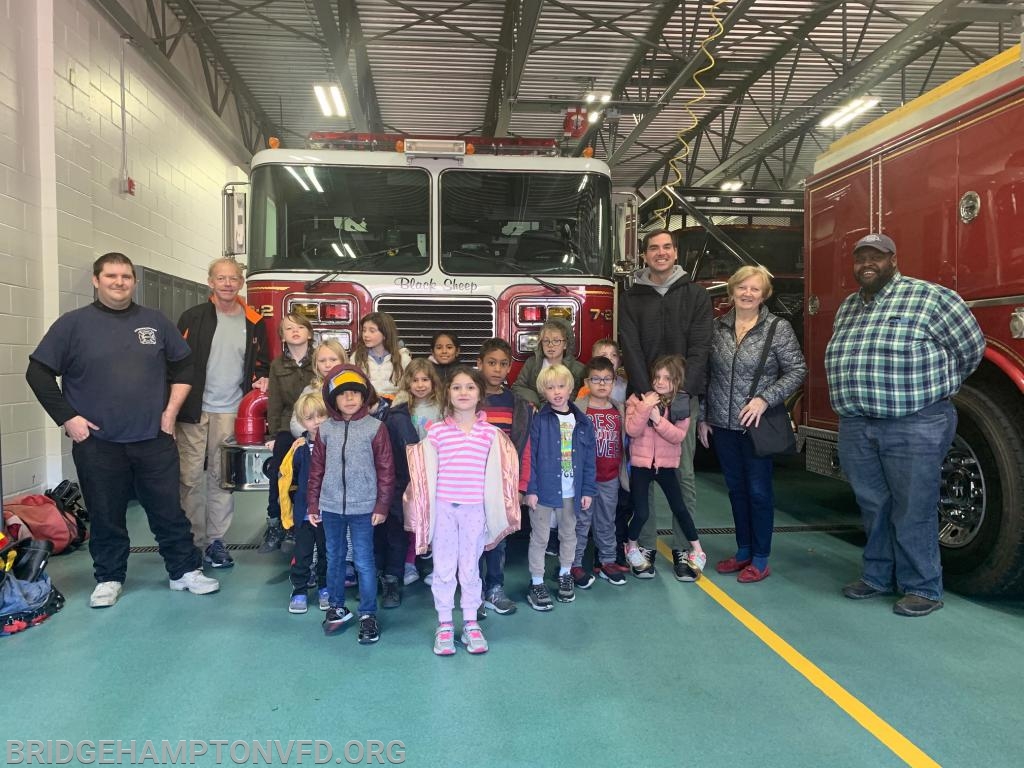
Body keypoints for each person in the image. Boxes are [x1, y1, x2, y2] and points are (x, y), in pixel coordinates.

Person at [26, 252, 219, 607]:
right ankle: (109, 577)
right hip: (98, 442)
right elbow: (37, 373)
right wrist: (69, 418)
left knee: (168, 511)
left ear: (134, 281)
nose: (119, 282)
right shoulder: (72, 325)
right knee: (105, 513)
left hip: (153, 438)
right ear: (96, 281)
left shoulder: (155, 321)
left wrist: (170, 413)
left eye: (126, 276)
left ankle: (184, 571)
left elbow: (185, 367)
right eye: (111, 276)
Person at [826, 234, 984, 617]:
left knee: (914, 506)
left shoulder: (932, 298)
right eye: (861, 257)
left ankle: (923, 587)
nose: (867, 263)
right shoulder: (849, 306)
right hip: (858, 423)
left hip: (915, 422)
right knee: (873, 504)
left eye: (876, 257)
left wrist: (933, 390)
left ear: (893, 260)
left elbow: (971, 349)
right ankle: (878, 576)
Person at [698, 266, 806, 583]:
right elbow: (707, 375)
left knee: (759, 492)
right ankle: (743, 550)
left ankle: (760, 557)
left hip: (755, 426)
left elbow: (797, 370)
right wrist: (705, 415)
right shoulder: (716, 328)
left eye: (754, 289)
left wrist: (764, 399)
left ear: (764, 295)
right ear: (731, 292)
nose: (747, 293)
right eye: (742, 287)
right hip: (723, 425)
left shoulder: (777, 328)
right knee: (735, 490)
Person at [404, 366, 521, 655]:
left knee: (469, 569)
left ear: (480, 393)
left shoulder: (491, 435)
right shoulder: (437, 432)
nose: (463, 393)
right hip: (444, 510)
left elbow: (502, 474)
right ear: (447, 393)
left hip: (474, 512)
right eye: (456, 387)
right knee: (443, 569)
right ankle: (444, 624)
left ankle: (470, 623)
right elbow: (423, 471)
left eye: (470, 387)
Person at [618, 229, 712, 577]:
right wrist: (648, 396)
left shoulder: (696, 295)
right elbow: (630, 346)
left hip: (683, 400)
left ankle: (685, 550)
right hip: (644, 399)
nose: (661, 253)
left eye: (667, 247)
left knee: (680, 476)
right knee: (642, 472)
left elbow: (701, 347)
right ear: (645, 255)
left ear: (675, 253)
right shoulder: (631, 298)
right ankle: (643, 548)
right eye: (654, 248)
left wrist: (678, 394)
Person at [175, 257, 270, 569]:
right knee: (189, 478)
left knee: (221, 479)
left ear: (240, 283)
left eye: (233, 278)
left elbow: (263, 364)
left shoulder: (254, 321)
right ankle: (192, 542)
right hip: (194, 410)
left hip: (231, 411)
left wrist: (261, 380)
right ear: (210, 282)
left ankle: (215, 541)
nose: (228, 283)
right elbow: (175, 364)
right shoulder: (193, 318)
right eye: (221, 278)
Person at [307, 365, 395, 643]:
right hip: (331, 507)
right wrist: (313, 504)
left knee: (364, 562)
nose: (349, 399)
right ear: (332, 399)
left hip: (364, 508)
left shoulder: (376, 428)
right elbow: (316, 470)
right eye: (343, 394)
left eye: (355, 393)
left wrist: (382, 506)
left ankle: (368, 614)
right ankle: (336, 607)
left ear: (364, 396)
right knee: (333, 558)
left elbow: (386, 470)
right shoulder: (325, 430)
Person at [624, 355, 706, 581]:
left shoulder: (681, 404)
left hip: (667, 465)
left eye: (667, 378)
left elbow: (678, 436)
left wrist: (659, 420)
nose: (660, 382)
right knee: (641, 512)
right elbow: (632, 430)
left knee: (680, 508)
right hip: (642, 465)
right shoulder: (638, 399)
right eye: (657, 377)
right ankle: (631, 546)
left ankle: (697, 549)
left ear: (677, 381)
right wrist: (645, 408)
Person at [523, 364, 597, 611]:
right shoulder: (539, 420)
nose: (556, 392)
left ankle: (565, 573)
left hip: (571, 493)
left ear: (571, 388)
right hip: (544, 490)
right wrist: (530, 489)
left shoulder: (582, 422)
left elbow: (589, 460)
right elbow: (530, 456)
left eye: (561, 386)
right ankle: (536, 581)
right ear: (543, 390)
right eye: (550, 387)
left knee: (569, 535)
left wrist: (587, 490)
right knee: (540, 538)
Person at [477, 338, 534, 614]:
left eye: (503, 364)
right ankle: (473, 591)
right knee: (472, 539)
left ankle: (494, 588)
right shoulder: (468, 398)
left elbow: (524, 448)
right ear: (479, 364)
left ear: (510, 367)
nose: (497, 369)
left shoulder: (518, 405)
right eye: (491, 363)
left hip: (503, 484)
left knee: (498, 537)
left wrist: (521, 486)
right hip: (471, 483)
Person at [380, 359, 442, 605]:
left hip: (437, 477)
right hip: (404, 479)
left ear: (433, 382)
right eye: (415, 380)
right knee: (400, 527)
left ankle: (438, 568)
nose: (420, 385)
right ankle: (394, 576)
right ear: (407, 382)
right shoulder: (398, 413)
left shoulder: (443, 410)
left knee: (437, 526)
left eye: (425, 379)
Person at [260, 313, 315, 553]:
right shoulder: (277, 365)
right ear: (282, 335)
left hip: (314, 425)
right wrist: (272, 436)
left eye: (300, 327)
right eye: (289, 328)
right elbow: (274, 403)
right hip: (285, 426)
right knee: (279, 474)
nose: (295, 332)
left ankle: (300, 525)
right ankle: (275, 523)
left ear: (309, 333)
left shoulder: (319, 361)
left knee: (309, 477)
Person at [572, 356, 628, 587]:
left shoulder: (619, 410)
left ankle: (607, 561)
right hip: (585, 479)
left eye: (607, 379)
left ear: (614, 382)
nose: (602, 384)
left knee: (607, 521)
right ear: (587, 382)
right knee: (581, 522)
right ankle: (573, 563)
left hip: (610, 476)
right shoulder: (578, 410)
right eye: (596, 379)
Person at [280, 392, 330, 613]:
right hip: (303, 513)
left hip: (329, 512)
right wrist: (289, 510)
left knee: (327, 553)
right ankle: (299, 590)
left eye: (321, 415)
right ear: (301, 422)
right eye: (310, 418)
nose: (317, 422)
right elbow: (288, 479)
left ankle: (325, 587)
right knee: (302, 554)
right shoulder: (299, 448)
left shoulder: (334, 445)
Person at [511, 317, 586, 408]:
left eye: (556, 341)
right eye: (546, 341)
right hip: (537, 413)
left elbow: (583, 394)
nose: (550, 345)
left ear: (565, 344)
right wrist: (535, 402)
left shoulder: (578, 369)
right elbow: (518, 387)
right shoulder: (532, 363)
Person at [351, 311, 411, 402]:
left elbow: (408, 388)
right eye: (364, 330)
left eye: (372, 331)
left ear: (385, 334)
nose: (366, 335)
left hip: (394, 406)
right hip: (367, 405)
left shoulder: (403, 358)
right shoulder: (357, 358)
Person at [576, 338, 628, 404]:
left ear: (619, 361)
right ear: (594, 360)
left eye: (614, 355)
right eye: (604, 355)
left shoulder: (625, 385)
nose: (609, 358)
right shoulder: (588, 386)